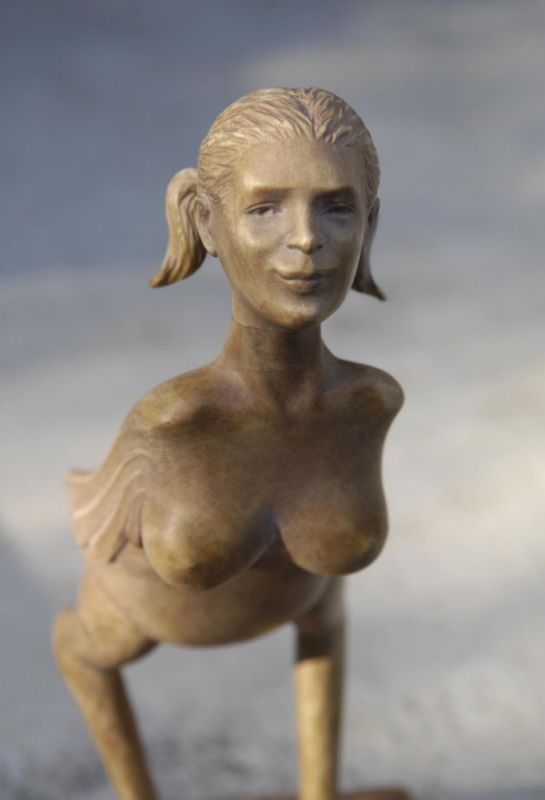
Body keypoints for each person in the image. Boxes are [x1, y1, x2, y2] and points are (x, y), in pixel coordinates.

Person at [53, 87, 404, 800]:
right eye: (265, 207)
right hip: (136, 624)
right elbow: (92, 608)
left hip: (303, 607)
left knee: (322, 608)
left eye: (335, 208)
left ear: (369, 223)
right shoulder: (171, 426)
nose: (305, 239)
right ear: (204, 220)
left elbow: (324, 609)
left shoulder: (370, 403)